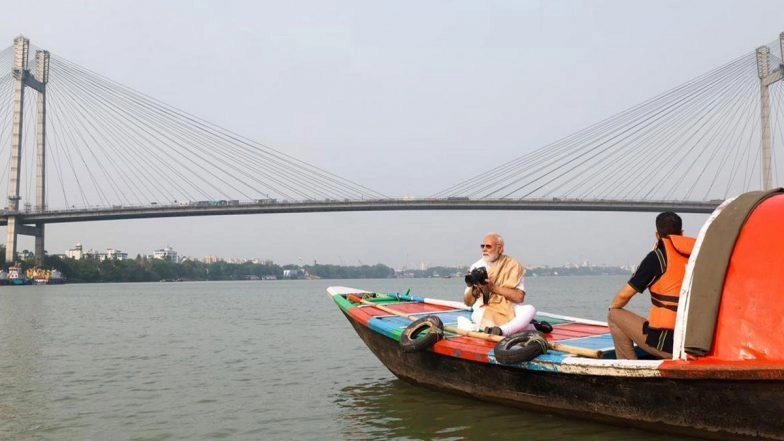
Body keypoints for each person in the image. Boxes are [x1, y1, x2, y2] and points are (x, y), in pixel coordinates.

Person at [607, 211, 696, 359]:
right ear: (681, 233)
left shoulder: (658, 257)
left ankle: (629, 369)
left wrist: (613, 306)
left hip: (668, 346)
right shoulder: (698, 257)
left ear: (657, 235)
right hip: (695, 344)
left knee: (614, 314)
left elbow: (624, 295)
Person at [462, 232, 539, 336]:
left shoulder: (512, 265)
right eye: (482, 246)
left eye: (488, 246)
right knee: (482, 318)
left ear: (500, 248)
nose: (484, 249)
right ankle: (530, 327)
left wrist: (493, 288)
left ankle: (503, 330)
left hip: (508, 307)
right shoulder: (476, 266)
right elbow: (468, 302)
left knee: (529, 309)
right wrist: (473, 288)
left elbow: (519, 298)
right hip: (486, 307)